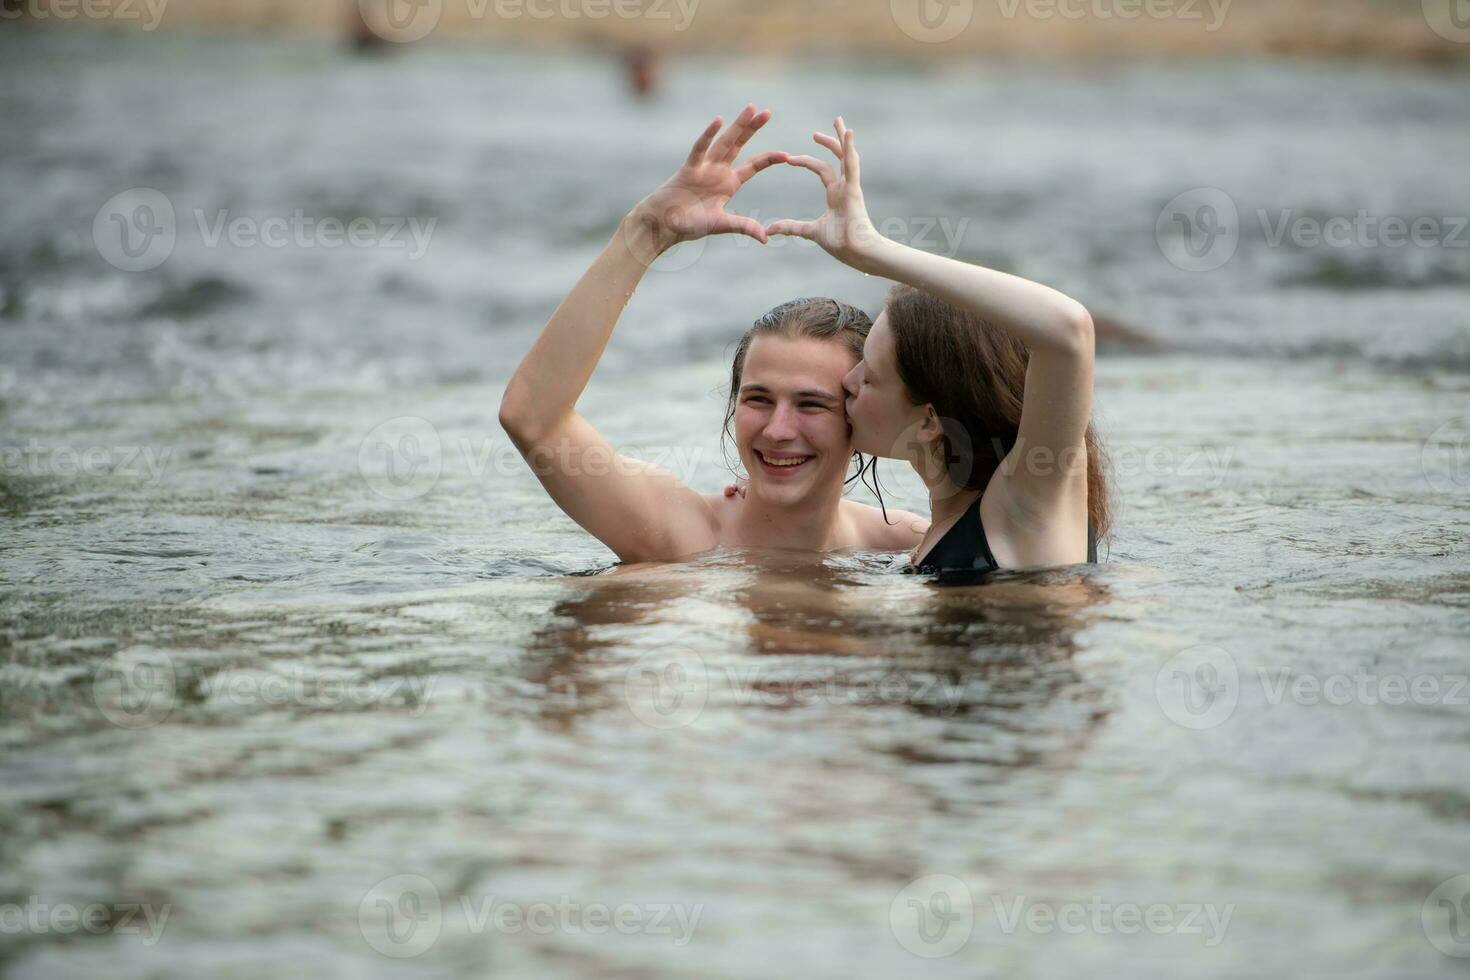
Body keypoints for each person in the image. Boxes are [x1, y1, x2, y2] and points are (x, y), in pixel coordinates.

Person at [498, 106, 926, 565]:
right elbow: (533, 419)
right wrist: (645, 232)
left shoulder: (903, 546)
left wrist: (879, 253)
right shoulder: (682, 535)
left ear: (859, 413)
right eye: (758, 399)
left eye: (811, 404)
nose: (778, 430)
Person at [764, 117, 1111, 574]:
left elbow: (1069, 330)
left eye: (868, 376)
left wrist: (872, 250)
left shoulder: (1023, 506)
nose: (845, 382)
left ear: (929, 420)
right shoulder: (941, 526)